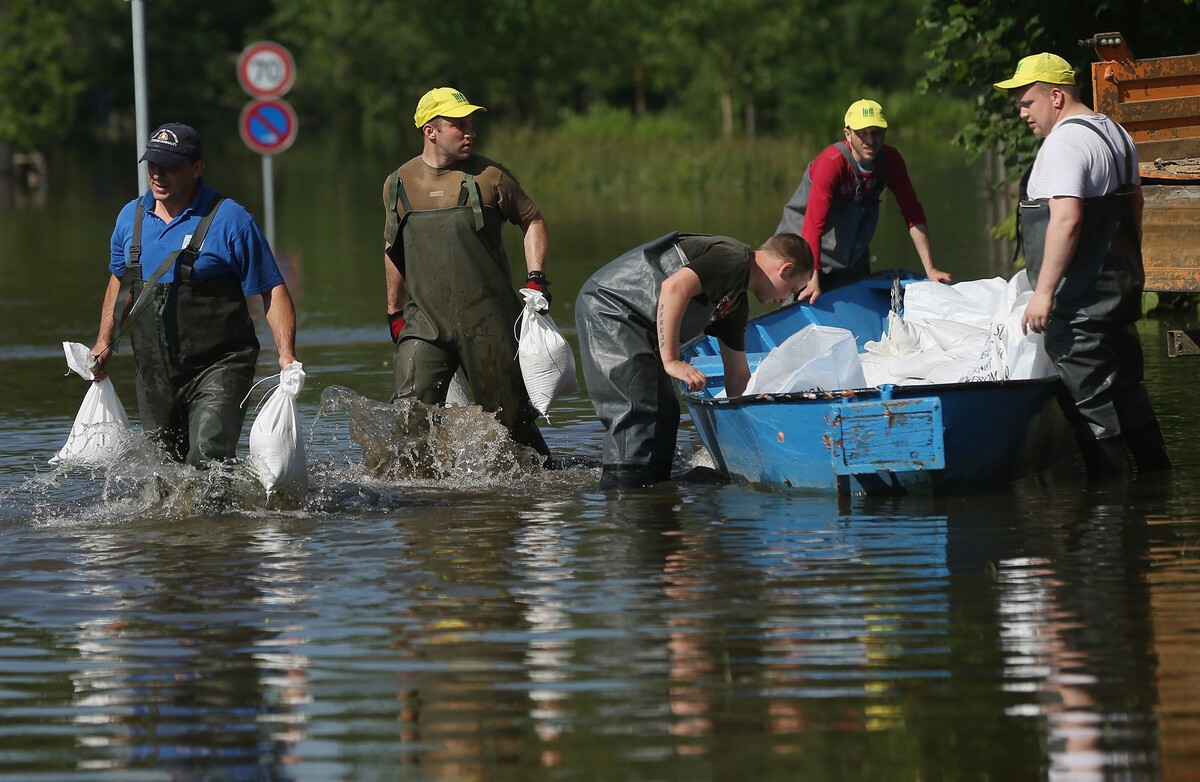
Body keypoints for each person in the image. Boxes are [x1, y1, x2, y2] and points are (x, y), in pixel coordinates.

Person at [994, 52, 1171, 478]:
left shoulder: (1064, 144)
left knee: (1086, 399)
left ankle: (1111, 505)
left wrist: (1044, 293)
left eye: (1026, 101)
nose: (1021, 112)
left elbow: (1067, 219)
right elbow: (1137, 204)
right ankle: (1156, 482)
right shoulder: (1115, 132)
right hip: (1118, 291)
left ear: (1055, 97)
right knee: (1129, 389)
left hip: (1080, 303)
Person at [88, 122, 298, 466]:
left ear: (197, 168)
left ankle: (220, 520)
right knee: (164, 473)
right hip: (154, 372)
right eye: (153, 165)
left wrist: (286, 356)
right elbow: (120, 282)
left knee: (207, 459)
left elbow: (271, 289)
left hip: (221, 365)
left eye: (169, 166)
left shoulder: (231, 219)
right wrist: (104, 340)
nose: (158, 175)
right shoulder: (131, 217)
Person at [382, 87, 550, 457]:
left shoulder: (491, 177)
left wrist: (535, 277)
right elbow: (392, 249)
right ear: (431, 131)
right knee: (409, 420)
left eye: (471, 124)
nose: (469, 132)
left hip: (489, 323)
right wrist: (394, 311)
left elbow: (533, 220)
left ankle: (541, 493)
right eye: (458, 125)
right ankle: (419, 506)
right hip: (424, 323)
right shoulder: (398, 183)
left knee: (512, 425)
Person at [575, 232, 814, 490]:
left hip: (642, 328)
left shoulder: (735, 304)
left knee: (666, 414)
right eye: (792, 289)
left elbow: (738, 376)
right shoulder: (734, 258)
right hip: (613, 310)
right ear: (785, 269)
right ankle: (624, 498)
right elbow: (673, 287)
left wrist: (755, 436)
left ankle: (652, 493)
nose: (786, 298)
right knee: (639, 411)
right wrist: (671, 360)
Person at [777, 98, 951, 303]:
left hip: (850, 255)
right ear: (848, 134)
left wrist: (930, 270)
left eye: (876, 132)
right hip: (802, 252)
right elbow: (813, 225)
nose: (870, 140)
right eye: (862, 134)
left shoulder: (891, 161)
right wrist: (812, 281)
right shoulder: (831, 163)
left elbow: (913, 213)